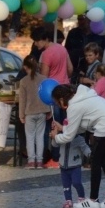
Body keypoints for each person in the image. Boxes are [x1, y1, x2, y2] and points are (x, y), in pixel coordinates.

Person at [51, 84, 105, 208]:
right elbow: (77, 128)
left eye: (57, 102)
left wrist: (55, 137)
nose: (58, 105)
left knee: (96, 161)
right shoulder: (84, 96)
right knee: (104, 160)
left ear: (62, 100)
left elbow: (69, 136)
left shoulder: (74, 106)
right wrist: (63, 128)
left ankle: (93, 200)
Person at [34, 27, 73, 169]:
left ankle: (55, 157)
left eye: (37, 41)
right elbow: (70, 69)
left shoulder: (46, 54)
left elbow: (43, 77)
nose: (36, 44)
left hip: (52, 93)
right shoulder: (62, 49)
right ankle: (67, 155)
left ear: (44, 39)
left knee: (53, 125)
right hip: (66, 90)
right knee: (66, 124)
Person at [17, 55, 52, 170]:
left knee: (30, 137)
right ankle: (40, 161)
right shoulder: (43, 79)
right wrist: (49, 110)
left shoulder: (23, 81)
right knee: (40, 136)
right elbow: (47, 95)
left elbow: (22, 99)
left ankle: (31, 161)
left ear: (25, 67)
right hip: (42, 110)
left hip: (29, 112)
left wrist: (21, 115)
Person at [56, 127, 91, 208]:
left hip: (75, 166)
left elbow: (85, 148)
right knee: (66, 185)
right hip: (63, 166)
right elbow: (55, 144)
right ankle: (68, 200)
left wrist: (92, 156)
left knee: (76, 182)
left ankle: (81, 197)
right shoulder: (61, 137)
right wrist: (54, 136)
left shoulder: (79, 139)